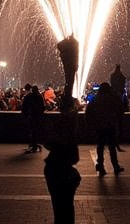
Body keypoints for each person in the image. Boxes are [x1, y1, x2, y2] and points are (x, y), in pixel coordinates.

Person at [44, 95, 81, 224]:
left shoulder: (61, 123)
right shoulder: (69, 125)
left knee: (59, 208)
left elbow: (47, 141)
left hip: (55, 167)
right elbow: (74, 156)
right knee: (66, 208)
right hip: (61, 169)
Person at [85, 81, 124, 176]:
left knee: (100, 147)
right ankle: (115, 166)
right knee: (112, 147)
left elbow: (88, 112)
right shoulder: (113, 99)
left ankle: (101, 166)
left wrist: (91, 124)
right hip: (110, 125)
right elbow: (120, 110)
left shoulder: (95, 99)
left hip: (99, 126)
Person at [21, 84, 45, 153]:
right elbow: (43, 107)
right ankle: (34, 145)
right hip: (37, 117)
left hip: (31, 116)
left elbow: (24, 106)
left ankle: (33, 145)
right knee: (35, 131)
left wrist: (25, 114)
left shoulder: (29, 96)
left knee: (32, 131)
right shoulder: (39, 96)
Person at [110, 64, 127, 152]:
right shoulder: (123, 77)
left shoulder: (113, 76)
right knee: (118, 127)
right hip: (119, 109)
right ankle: (116, 143)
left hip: (114, 110)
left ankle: (114, 143)